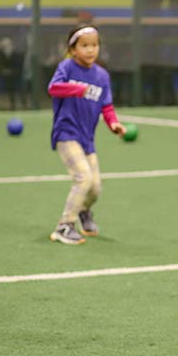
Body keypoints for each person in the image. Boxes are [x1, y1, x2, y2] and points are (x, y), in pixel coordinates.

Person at [47, 24, 126, 245]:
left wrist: (114, 124)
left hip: (86, 139)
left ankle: (83, 211)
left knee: (95, 188)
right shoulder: (67, 67)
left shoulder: (102, 76)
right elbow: (53, 88)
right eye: (84, 45)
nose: (90, 50)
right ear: (73, 49)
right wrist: (76, 88)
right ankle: (64, 226)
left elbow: (107, 106)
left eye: (94, 45)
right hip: (66, 134)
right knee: (83, 177)